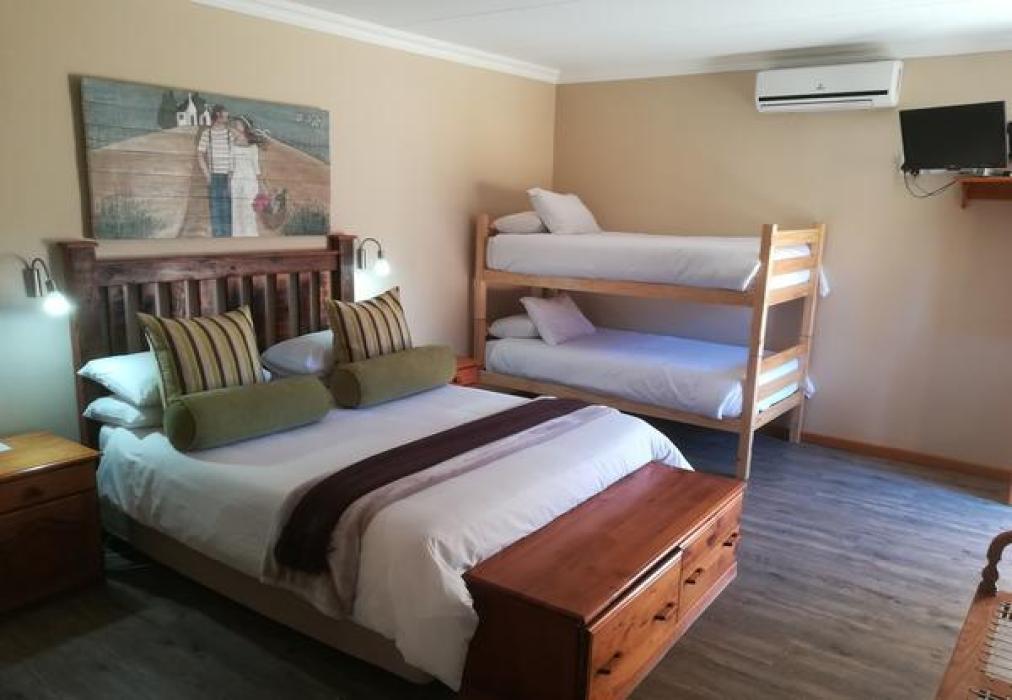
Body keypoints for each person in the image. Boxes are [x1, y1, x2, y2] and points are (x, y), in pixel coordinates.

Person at [197, 105, 233, 237]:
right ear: (218, 115)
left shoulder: (229, 134)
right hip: (214, 176)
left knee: (228, 208)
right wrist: (207, 174)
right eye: (225, 115)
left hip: (229, 176)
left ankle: (228, 237)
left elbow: (234, 155)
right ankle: (218, 237)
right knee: (216, 208)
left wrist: (232, 175)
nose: (227, 117)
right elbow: (200, 154)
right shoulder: (207, 133)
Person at [229, 116, 266, 237]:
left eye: (237, 125)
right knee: (236, 211)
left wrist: (261, 186)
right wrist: (229, 182)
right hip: (236, 182)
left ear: (244, 128)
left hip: (250, 182)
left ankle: (250, 238)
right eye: (234, 125)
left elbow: (256, 168)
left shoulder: (253, 147)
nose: (234, 127)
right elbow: (231, 167)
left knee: (249, 212)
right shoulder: (232, 145)